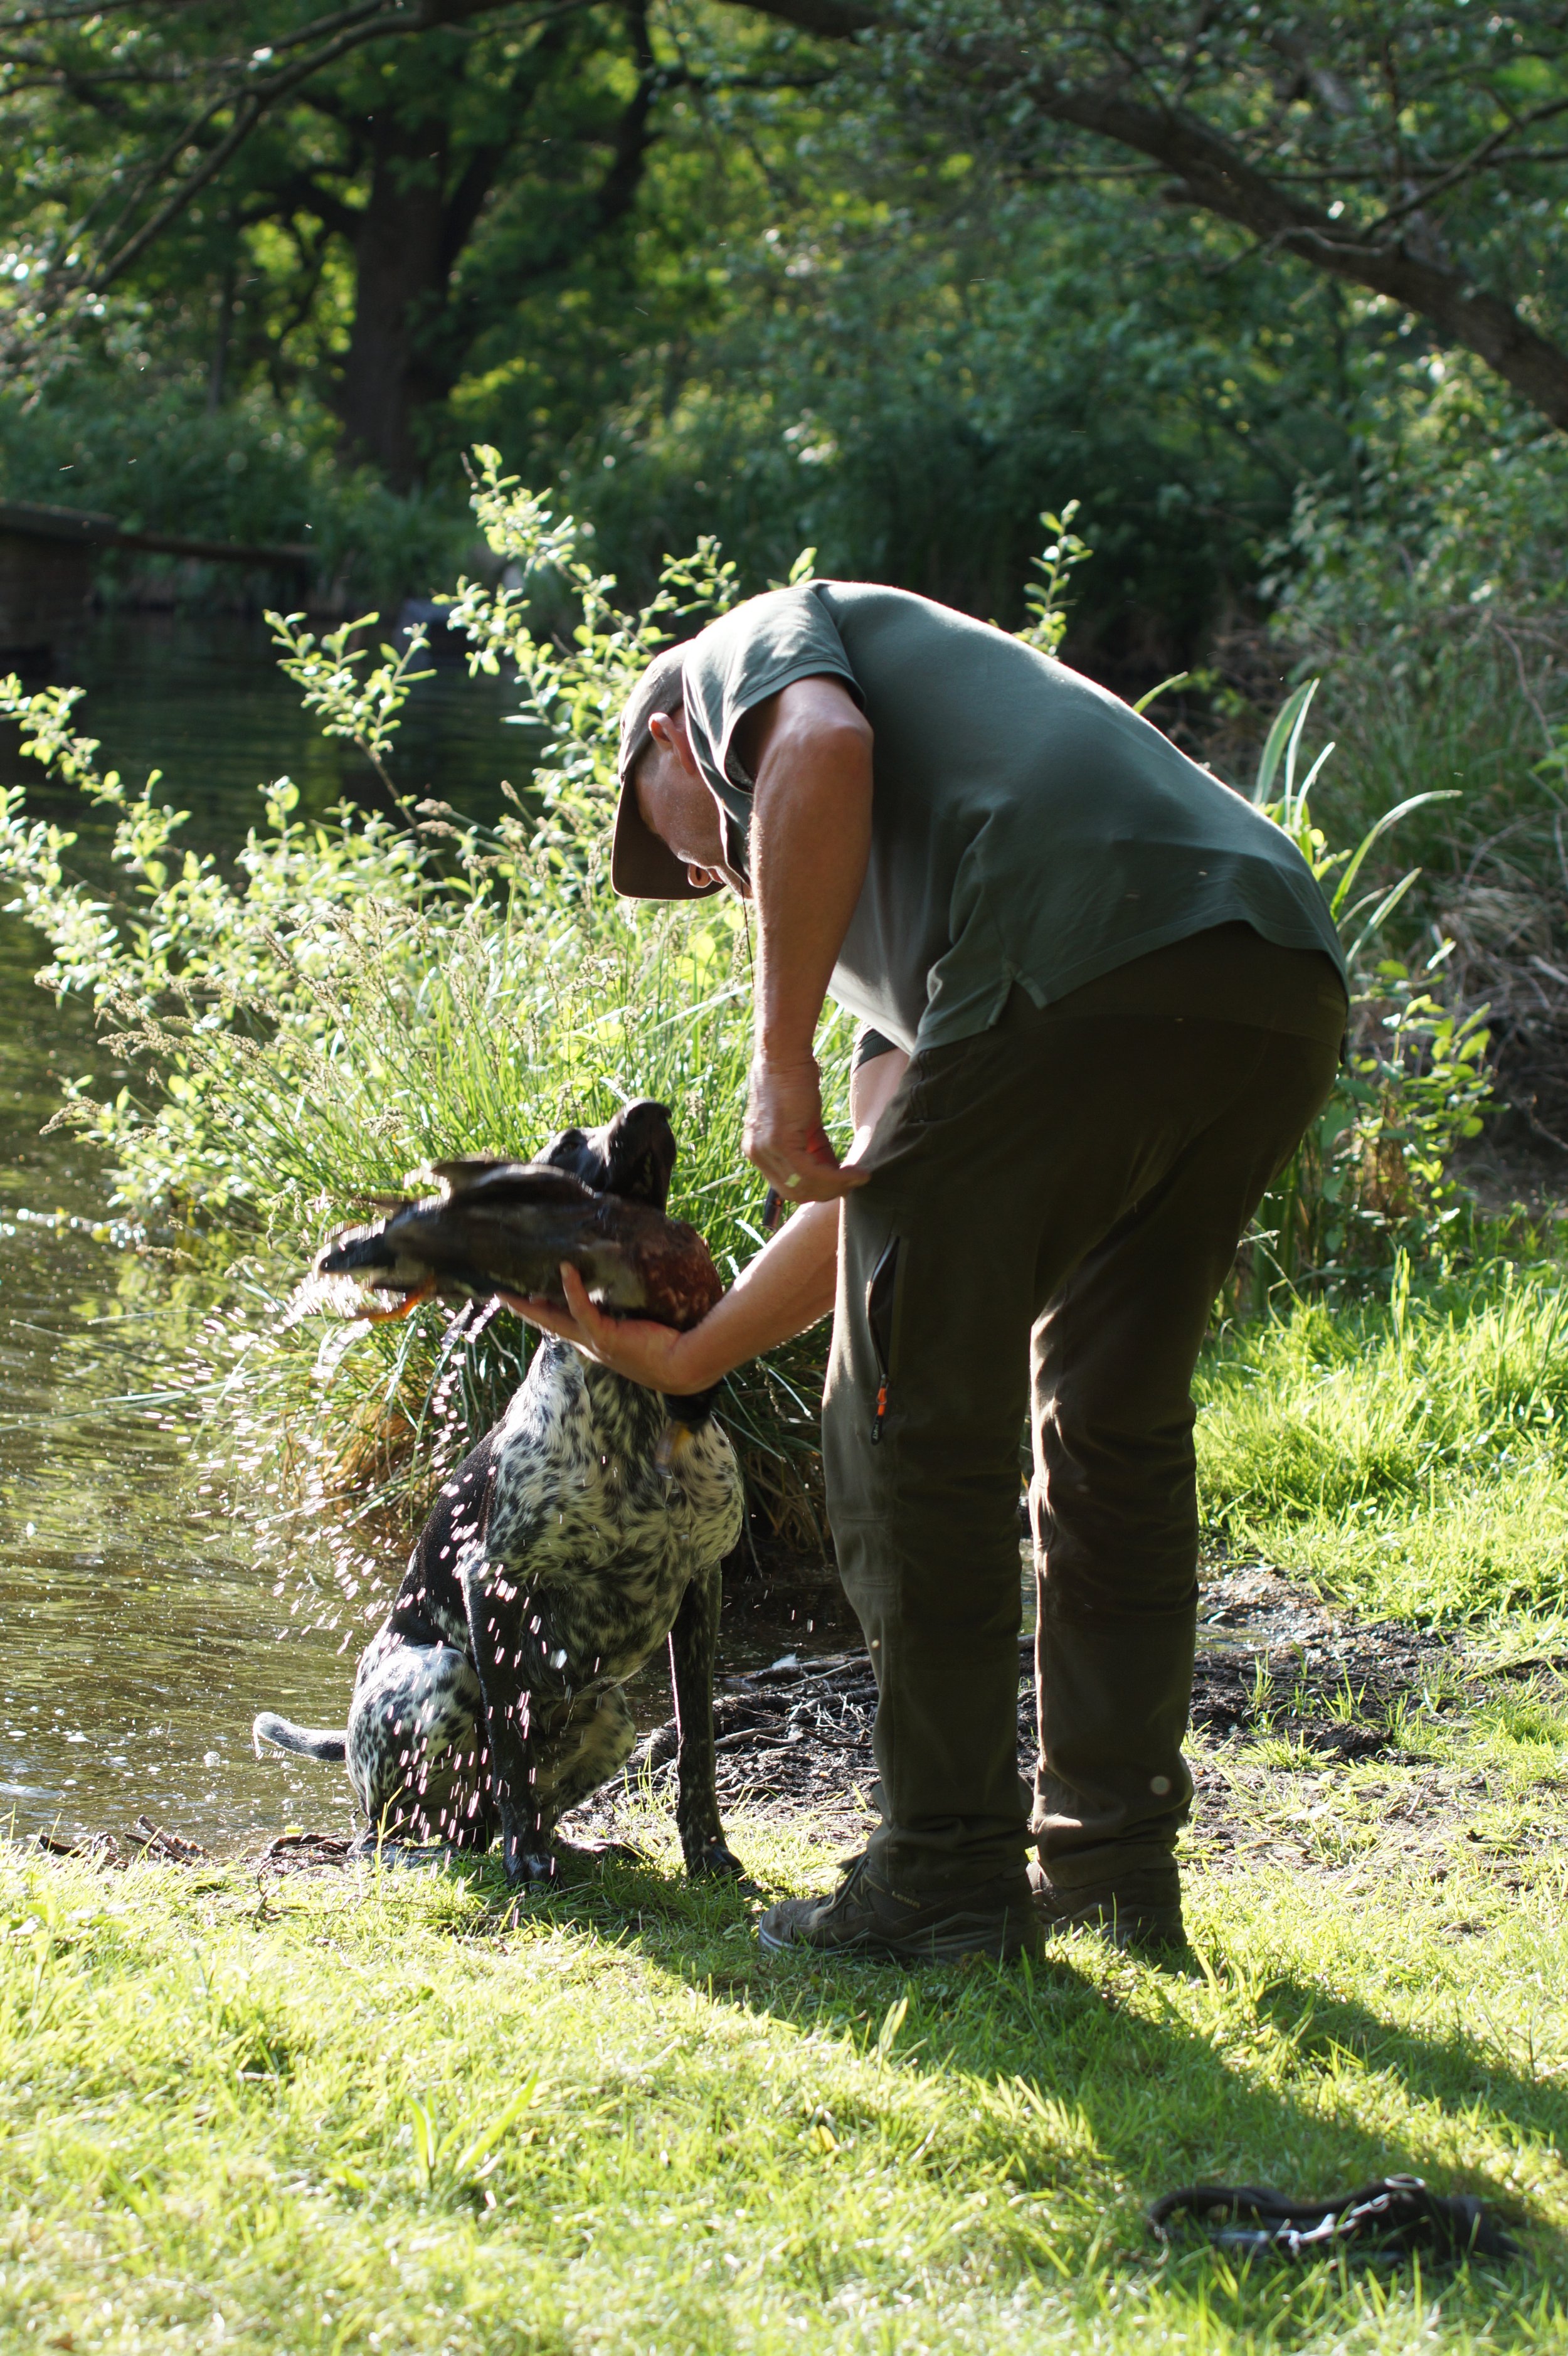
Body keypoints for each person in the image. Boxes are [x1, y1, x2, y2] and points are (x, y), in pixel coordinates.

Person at [513, 578, 1348, 1962]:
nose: (711, 884)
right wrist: (692, 1354)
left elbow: (817, 743)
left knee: (897, 1422)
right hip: (1266, 970)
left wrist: (774, 1055)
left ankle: (946, 1873)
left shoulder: (740, 652)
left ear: (667, 744)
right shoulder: (906, 929)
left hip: (1082, 951)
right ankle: (1112, 1869)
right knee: (1110, 1423)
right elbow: (877, 1202)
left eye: (684, 854)